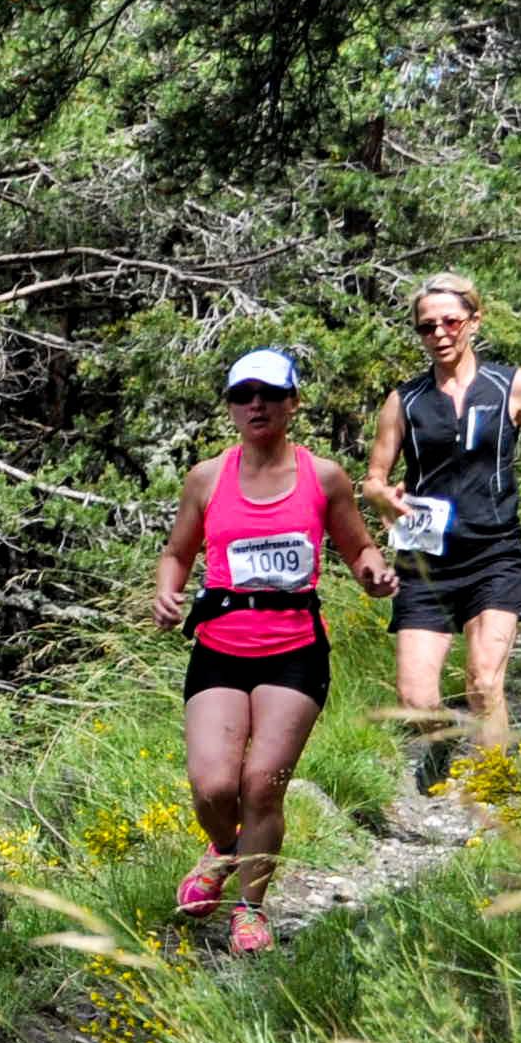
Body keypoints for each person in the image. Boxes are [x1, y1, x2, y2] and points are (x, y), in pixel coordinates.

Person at [154, 347, 396, 956]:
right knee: (213, 786)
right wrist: (166, 593)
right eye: (243, 395)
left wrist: (373, 574)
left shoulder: (324, 477)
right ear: (232, 407)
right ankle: (225, 849)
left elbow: (358, 548)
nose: (255, 405)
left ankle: (250, 909)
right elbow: (178, 552)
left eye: (269, 394)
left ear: (293, 403)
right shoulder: (207, 478)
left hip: (295, 648)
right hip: (220, 645)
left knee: (262, 783)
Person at [361, 274, 521, 784]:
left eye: (450, 322)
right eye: (427, 327)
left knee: (484, 681)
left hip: (494, 553)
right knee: (415, 699)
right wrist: (381, 496)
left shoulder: (512, 385)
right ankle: (443, 743)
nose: (439, 334)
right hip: (425, 560)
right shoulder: (403, 401)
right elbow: (375, 478)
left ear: (474, 320)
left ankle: (501, 788)